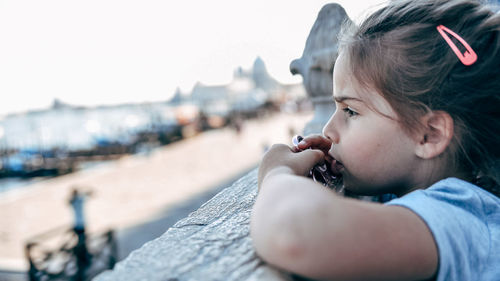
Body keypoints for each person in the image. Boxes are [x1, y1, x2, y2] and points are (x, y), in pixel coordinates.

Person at [250, 1, 500, 280]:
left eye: (351, 111)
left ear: (430, 134)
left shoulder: (458, 219)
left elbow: (295, 234)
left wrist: (275, 173)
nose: (329, 130)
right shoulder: (414, 194)